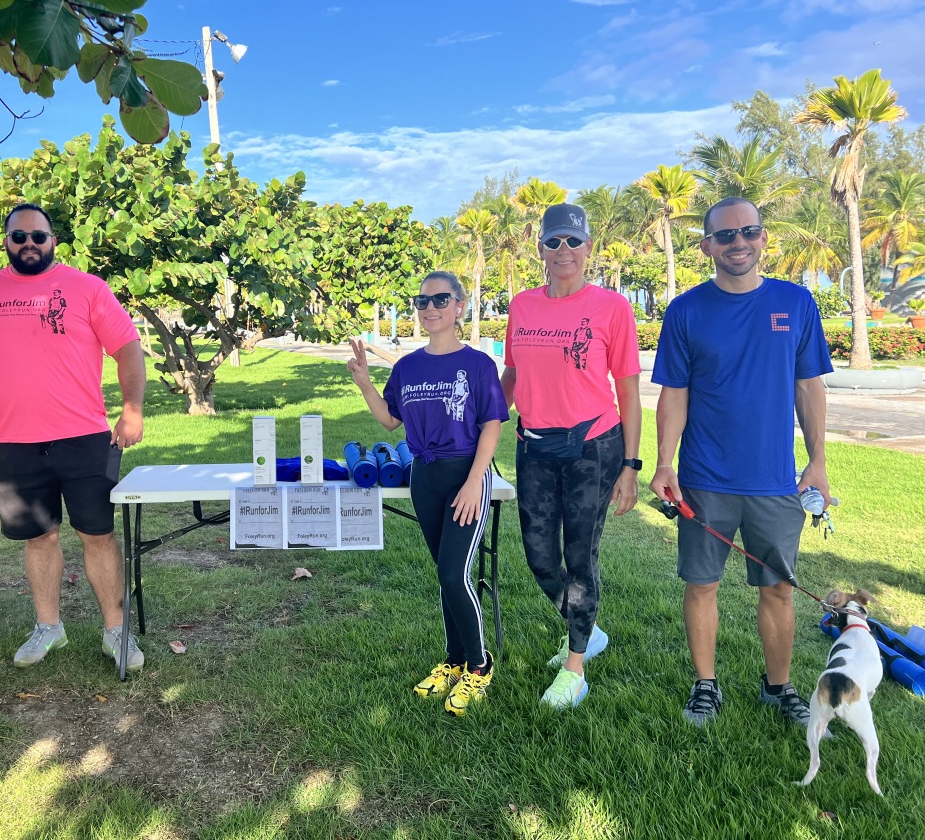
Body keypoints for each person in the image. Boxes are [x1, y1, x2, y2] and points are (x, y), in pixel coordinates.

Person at [649, 197, 832, 729]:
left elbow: (808, 386)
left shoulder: (796, 304)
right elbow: (674, 394)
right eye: (725, 236)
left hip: (774, 480)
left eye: (748, 232)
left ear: (763, 237)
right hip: (705, 479)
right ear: (707, 245)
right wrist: (665, 463)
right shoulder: (686, 310)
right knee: (701, 584)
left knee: (778, 587)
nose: (738, 243)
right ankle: (706, 686)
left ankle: (778, 687)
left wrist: (817, 460)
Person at [0, 203, 146, 673]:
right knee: (39, 538)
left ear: (53, 241)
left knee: (98, 536)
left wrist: (132, 409)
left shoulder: (87, 288)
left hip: (84, 439)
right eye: (18, 237)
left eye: (38, 236)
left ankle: (115, 631)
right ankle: (49, 627)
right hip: (15, 445)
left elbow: (127, 350)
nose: (29, 244)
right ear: (5, 242)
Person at [347, 271, 508, 716]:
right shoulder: (407, 367)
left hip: (466, 474)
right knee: (444, 574)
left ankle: (478, 665)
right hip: (425, 476)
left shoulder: (477, 365)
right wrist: (363, 381)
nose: (429, 307)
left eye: (440, 299)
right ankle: (454, 661)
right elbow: (389, 421)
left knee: (456, 574)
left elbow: (491, 424)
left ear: (460, 306)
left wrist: (476, 481)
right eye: (422, 300)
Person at [500, 203, 641, 710]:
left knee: (580, 557)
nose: (563, 251)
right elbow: (512, 374)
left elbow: (628, 392)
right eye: (553, 241)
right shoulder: (522, 305)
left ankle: (576, 666)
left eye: (573, 242)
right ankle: (590, 629)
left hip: (593, 448)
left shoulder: (611, 308)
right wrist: (490, 418)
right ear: (539, 248)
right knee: (540, 557)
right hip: (534, 448)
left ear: (588, 248)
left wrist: (630, 465)